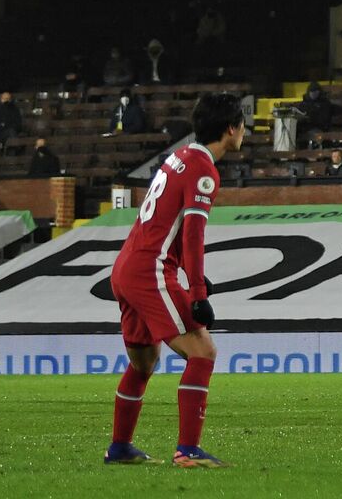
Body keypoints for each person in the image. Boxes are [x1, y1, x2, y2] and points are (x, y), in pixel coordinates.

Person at [103, 94, 248, 467]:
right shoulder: (204, 169)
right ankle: (187, 450)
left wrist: (193, 276)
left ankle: (119, 447)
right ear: (232, 128)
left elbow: (169, 221)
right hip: (151, 270)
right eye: (243, 124)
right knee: (203, 351)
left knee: (143, 362)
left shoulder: (179, 157)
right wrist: (197, 291)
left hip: (127, 267)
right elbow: (193, 234)